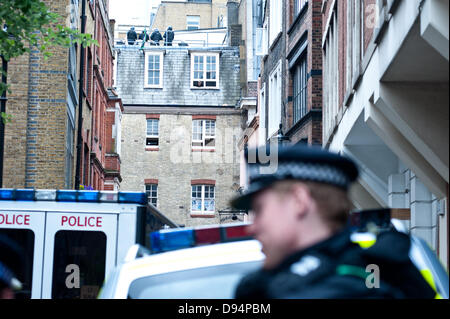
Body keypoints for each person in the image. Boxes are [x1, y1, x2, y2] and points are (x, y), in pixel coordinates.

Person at [231, 143, 437, 299]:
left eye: (259, 209)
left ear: (298, 201)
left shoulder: (351, 288)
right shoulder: (279, 283)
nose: (252, 227)